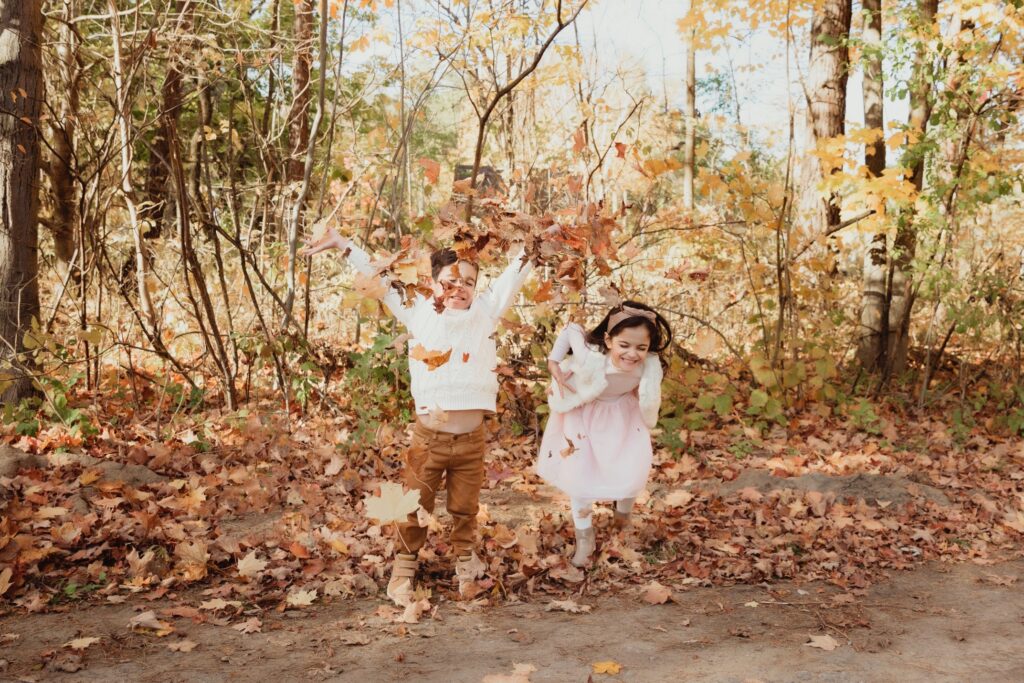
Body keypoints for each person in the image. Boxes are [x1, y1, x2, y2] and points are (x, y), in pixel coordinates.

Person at [301, 227, 533, 602]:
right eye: (450, 281)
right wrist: (344, 244)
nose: (460, 288)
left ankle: (464, 559)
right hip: (429, 440)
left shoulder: (485, 313)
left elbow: (517, 272)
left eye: (469, 282)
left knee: (464, 507)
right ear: (432, 283)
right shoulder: (418, 310)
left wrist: (541, 239)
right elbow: (379, 275)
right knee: (414, 503)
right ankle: (405, 563)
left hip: (472, 441)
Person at [536, 301, 671, 567]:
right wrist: (553, 361)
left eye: (641, 348)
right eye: (624, 345)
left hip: (622, 415)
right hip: (584, 415)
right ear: (608, 340)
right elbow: (571, 329)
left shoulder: (650, 365)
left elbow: (645, 388)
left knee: (631, 467)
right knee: (580, 475)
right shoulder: (591, 357)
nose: (632, 354)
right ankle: (585, 540)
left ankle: (622, 523)